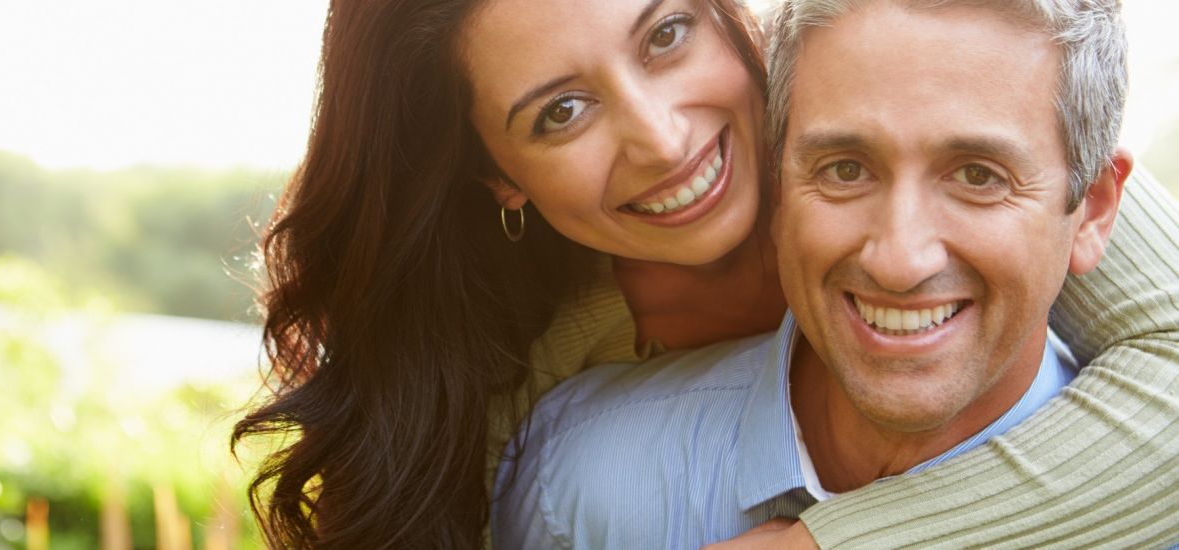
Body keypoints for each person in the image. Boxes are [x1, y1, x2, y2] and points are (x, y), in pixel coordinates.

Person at [230, 0, 1179, 547]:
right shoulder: (528, 391)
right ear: (498, 176)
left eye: (665, 35)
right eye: (560, 112)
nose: (663, 137)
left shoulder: (897, 87)